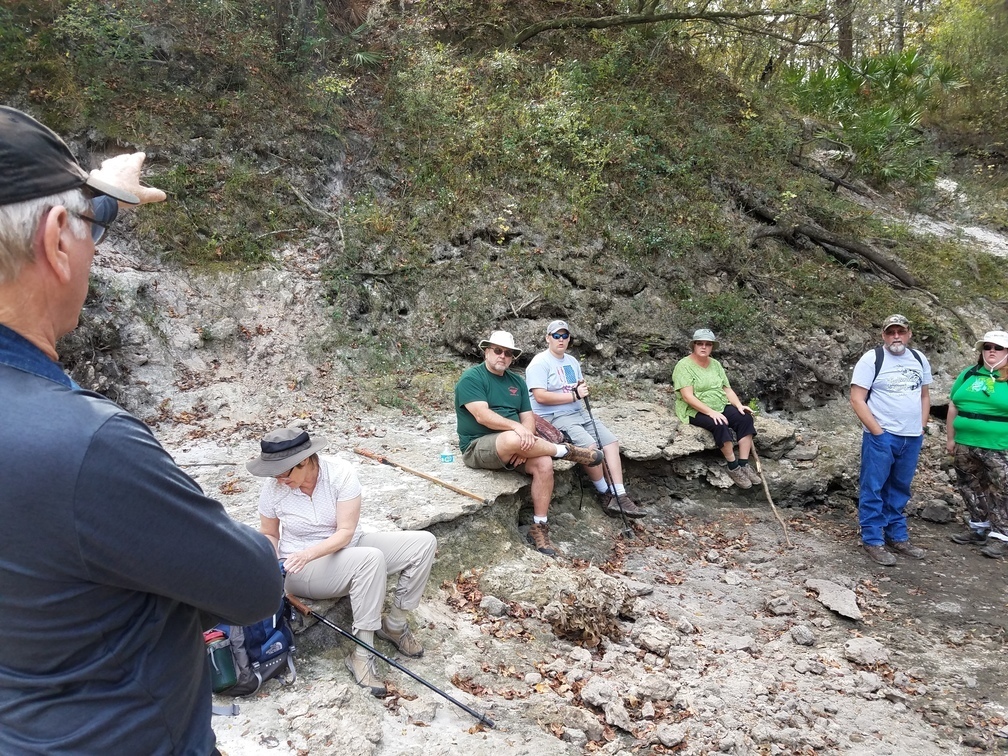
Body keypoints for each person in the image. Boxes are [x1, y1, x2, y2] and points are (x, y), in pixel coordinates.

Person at [0, 106, 284, 754]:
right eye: (87, 228)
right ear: (53, 240)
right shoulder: (90, 452)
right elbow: (254, 585)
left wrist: (100, 196)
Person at [248, 427, 438, 697]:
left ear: (305, 462)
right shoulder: (274, 490)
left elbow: (345, 533)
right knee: (370, 561)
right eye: (274, 473)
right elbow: (269, 533)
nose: (278, 479)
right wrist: (268, 563)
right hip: (300, 568)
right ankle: (362, 655)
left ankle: (394, 626)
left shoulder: (340, 474)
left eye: (283, 472)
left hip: (343, 547)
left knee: (423, 543)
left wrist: (310, 552)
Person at [455, 330, 604, 557]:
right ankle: (565, 451)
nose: (502, 356)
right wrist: (517, 431)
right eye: (497, 351)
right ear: (486, 351)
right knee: (514, 437)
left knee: (544, 462)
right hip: (478, 445)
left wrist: (525, 444)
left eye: (508, 353)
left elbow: (528, 418)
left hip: (517, 445)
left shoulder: (517, 381)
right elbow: (482, 416)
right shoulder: (471, 378)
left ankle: (540, 527)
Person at [526, 319, 645, 519]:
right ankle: (605, 492)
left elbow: (576, 385)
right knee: (590, 448)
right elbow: (540, 396)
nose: (561, 339)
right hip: (555, 416)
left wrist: (580, 390)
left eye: (565, 336)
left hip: (579, 412)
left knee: (611, 443)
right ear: (548, 338)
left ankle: (620, 494)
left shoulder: (572, 362)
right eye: (556, 336)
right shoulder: (539, 362)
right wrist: (574, 395)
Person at [849, 314, 932, 566]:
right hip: (881, 436)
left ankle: (897, 535)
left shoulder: (919, 358)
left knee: (899, 488)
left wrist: (921, 426)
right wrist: (877, 432)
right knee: (873, 487)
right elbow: (856, 398)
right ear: (883, 335)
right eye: (890, 332)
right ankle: (873, 539)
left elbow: (925, 395)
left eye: (901, 331)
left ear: (909, 333)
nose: (896, 336)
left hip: (911, 437)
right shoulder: (872, 359)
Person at [945, 330, 1008, 558]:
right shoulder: (969, 374)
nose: (991, 351)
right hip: (965, 442)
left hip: (1000, 444)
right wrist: (950, 438)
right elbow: (953, 405)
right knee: (969, 485)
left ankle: (1002, 536)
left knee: (1002, 489)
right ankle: (978, 527)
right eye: (987, 347)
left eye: (998, 347)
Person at [672, 328, 761, 490]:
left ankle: (743, 464)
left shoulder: (716, 365)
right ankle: (733, 467)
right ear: (694, 345)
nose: (704, 347)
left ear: (712, 347)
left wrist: (739, 405)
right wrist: (711, 412)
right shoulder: (683, 366)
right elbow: (687, 397)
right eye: (700, 343)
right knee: (719, 424)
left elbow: (726, 389)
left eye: (708, 344)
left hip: (719, 403)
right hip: (694, 409)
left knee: (745, 418)